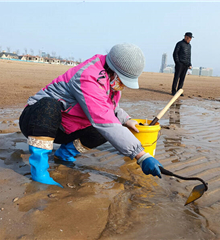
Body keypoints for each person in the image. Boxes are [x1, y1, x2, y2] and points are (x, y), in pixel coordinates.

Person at [19, 43, 163, 188]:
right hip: (36, 121)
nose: (123, 86)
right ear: (113, 70)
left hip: (66, 127)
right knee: (48, 106)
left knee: (101, 133)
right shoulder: (88, 77)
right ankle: (39, 171)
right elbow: (104, 119)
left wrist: (126, 120)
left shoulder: (108, 77)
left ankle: (64, 154)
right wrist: (141, 155)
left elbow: (109, 107)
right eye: (123, 80)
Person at [171, 32, 193, 96]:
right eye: (189, 38)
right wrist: (177, 62)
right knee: (176, 77)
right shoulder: (179, 44)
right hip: (180, 63)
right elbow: (175, 53)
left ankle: (179, 90)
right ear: (186, 37)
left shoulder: (189, 46)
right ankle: (173, 91)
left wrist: (189, 64)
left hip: (186, 64)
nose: (190, 39)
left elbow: (189, 55)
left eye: (191, 38)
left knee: (182, 78)